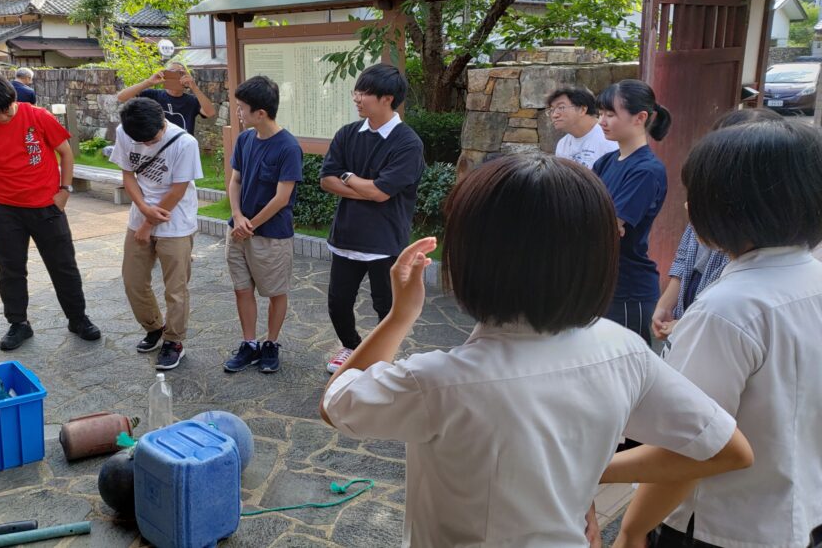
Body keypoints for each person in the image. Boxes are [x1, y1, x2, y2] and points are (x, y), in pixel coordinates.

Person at [320, 154, 753, 547]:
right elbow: (728, 449)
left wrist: (399, 316)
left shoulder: (438, 382)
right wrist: (587, 473)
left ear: (471, 260)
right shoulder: (624, 350)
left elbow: (335, 402)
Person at [615, 120, 822, 548]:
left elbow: (687, 449)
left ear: (729, 209)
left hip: (719, 526)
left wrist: (630, 526)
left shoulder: (727, 309)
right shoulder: (812, 280)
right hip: (798, 515)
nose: (688, 209)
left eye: (696, 197)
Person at [0, 76, 101, 351]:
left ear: (13, 98)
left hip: (47, 207)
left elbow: (66, 152)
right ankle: (18, 324)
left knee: (64, 267)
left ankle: (78, 319)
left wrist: (65, 190)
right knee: (10, 270)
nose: (1, 117)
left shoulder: (38, 116)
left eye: (6, 109)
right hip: (5, 211)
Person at [319, 63, 425, 374]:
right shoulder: (349, 134)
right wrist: (366, 187)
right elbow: (326, 180)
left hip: (384, 241)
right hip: (346, 237)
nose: (357, 98)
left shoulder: (407, 143)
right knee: (338, 304)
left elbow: (381, 193)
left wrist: (349, 177)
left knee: (387, 308)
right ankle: (351, 347)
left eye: (364, 92)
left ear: (387, 99)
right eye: (357, 90)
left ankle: (382, 356)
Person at [651, 108, 783, 346]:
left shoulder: (756, 229)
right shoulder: (707, 198)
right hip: (694, 305)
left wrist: (690, 322)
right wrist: (665, 304)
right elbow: (684, 258)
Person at [110, 97, 202, 370]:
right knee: (133, 279)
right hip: (140, 218)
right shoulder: (125, 132)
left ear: (163, 122)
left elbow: (178, 189)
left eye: (153, 138)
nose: (149, 144)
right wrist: (142, 209)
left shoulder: (185, 143)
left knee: (176, 289)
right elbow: (128, 175)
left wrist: (149, 223)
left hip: (176, 222)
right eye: (143, 142)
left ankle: (174, 341)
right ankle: (154, 327)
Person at [223, 76, 303, 374]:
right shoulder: (244, 139)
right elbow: (235, 180)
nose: (238, 113)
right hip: (239, 231)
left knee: (275, 292)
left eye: (242, 108)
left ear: (261, 113)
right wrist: (238, 216)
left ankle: (270, 343)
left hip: (271, 236)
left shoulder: (288, 147)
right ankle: (249, 344)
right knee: (241, 290)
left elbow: (282, 197)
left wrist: (250, 224)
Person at [592, 80, 671, 345]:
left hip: (627, 288)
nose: (602, 121)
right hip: (601, 283)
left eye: (610, 114)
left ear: (640, 118)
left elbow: (607, 227)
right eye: (601, 113)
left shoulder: (646, 170)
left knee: (626, 371)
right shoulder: (605, 162)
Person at [116, 60, 216, 135]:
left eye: (181, 73)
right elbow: (121, 97)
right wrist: (148, 82)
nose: (176, 76)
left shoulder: (192, 101)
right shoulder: (153, 95)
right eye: (172, 72)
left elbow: (210, 112)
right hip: (157, 148)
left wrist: (194, 87)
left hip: (181, 149)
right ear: (165, 75)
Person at [548, 86, 618, 168]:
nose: (554, 115)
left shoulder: (609, 140)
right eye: (552, 110)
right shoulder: (563, 144)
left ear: (582, 110)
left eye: (561, 107)